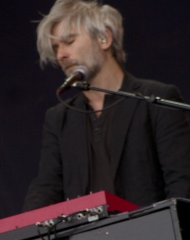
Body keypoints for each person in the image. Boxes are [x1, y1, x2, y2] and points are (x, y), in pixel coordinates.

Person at [23, 0, 190, 212]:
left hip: (152, 237)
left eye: (69, 41)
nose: (60, 55)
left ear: (104, 39)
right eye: (56, 48)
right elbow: (47, 186)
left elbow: (182, 184)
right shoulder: (59, 118)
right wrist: (22, 230)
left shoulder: (156, 98)